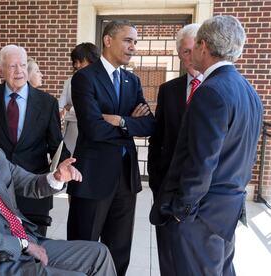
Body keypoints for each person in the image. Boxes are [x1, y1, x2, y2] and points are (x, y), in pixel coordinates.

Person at [0, 103, 117, 276]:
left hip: (28, 239)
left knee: (99, 254)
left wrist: (56, 177)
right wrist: (23, 245)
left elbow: (28, 182)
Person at [150, 15, 263, 276]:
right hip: (226, 213)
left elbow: (201, 163)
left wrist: (182, 211)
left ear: (203, 45)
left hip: (201, 218)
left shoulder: (210, 91)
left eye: (194, 47)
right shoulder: (248, 90)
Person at [67, 21, 155, 275]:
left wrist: (120, 121)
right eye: (128, 40)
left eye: (135, 42)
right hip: (92, 176)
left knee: (119, 250)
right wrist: (131, 126)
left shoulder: (132, 80)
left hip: (126, 178)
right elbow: (93, 129)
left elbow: (149, 124)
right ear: (108, 40)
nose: (133, 48)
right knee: (83, 247)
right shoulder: (84, 78)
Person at [0, 45, 69, 236]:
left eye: (23, 65)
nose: (19, 71)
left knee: (36, 253)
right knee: (0, 251)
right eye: (12, 66)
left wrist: (63, 170)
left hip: (35, 192)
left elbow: (55, 145)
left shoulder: (47, 102)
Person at [147, 23, 201, 276]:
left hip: (204, 197)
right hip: (168, 189)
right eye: (184, 52)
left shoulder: (219, 88)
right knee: (168, 257)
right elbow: (157, 139)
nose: (189, 58)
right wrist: (157, 181)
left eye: (193, 50)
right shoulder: (168, 90)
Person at [58, 42, 100, 154]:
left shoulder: (101, 83)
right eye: (75, 61)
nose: (76, 65)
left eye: (80, 61)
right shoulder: (69, 82)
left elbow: (94, 113)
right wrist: (70, 110)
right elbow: (60, 110)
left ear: (92, 60)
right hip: (70, 136)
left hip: (93, 138)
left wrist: (69, 109)